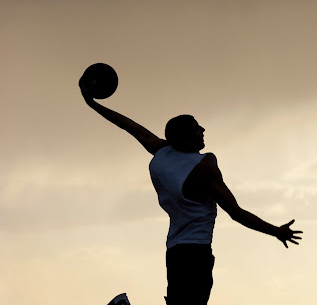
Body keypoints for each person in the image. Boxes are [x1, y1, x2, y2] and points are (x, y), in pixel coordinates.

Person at [79, 82, 303, 305]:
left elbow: (130, 126)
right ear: (187, 138)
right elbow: (236, 213)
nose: (203, 129)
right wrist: (276, 231)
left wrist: (92, 104)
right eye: (197, 127)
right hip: (196, 254)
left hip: (175, 251)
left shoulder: (162, 153)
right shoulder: (203, 168)